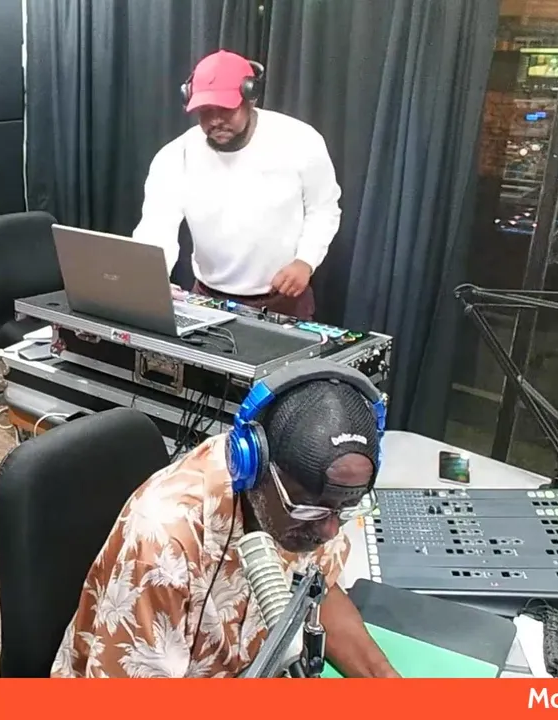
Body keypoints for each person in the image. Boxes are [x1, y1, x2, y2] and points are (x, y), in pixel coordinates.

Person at [50, 364, 398, 678]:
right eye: (308, 510)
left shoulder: (313, 504)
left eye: (344, 509)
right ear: (254, 466)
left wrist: (385, 681)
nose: (329, 530)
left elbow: (318, 588)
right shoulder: (164, 541)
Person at [131, 50, 342, 321]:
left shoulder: (300, 141)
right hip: (206, 298)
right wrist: (150, 280)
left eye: (226, 109)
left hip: (283, 300)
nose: (215, 121)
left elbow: (323, 208)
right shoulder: (176, 155)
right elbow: (157, 225)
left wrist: (306, 260)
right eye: (205, 111)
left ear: (250, 98)